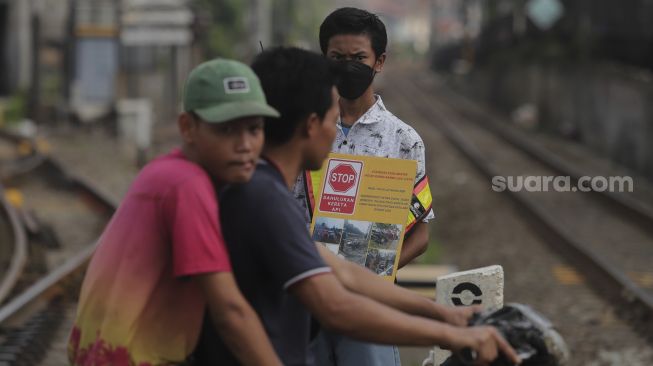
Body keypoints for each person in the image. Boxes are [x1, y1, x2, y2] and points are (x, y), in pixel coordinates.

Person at [193, 47, 520, 366]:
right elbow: (335, 306)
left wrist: (447, 314)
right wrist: (451, 336)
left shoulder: (265, 190)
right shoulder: (265, 199)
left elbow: (345, 273)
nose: (337, 132)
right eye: (334, 121)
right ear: (310, 124)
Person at [67, 59, 284, 366]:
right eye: (226, 129)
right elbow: (230, 312)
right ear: (187, 127)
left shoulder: (164, 171)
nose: (245, 145)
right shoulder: (186, 184)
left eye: (254, 129)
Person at [290, 7, 436, 365]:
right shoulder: (299, 131)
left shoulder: (403, 140)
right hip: (299, 306)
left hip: (369, 311)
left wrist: (372, 276)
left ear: (380, 61)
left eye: (358, 58)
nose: (347, 66)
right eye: (337, 58)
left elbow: (420, 236)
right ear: (323, 59)